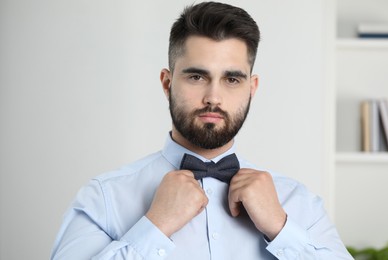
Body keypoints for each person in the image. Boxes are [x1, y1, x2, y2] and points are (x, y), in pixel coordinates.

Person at [51, 2, 353, 259]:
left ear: (252, 88)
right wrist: (155, 226)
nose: (213, 97)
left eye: (232, 79)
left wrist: (281, 228)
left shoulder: (298, 203)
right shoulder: (103, 199)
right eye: (197, 77)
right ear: (167, 84)